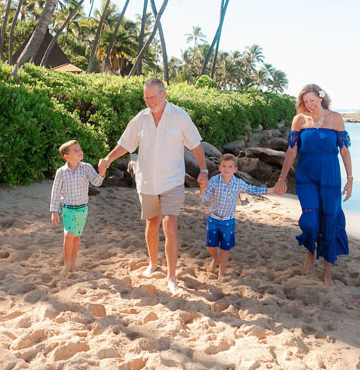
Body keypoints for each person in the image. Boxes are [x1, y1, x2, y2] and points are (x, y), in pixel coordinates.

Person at [99, 79, 208, 295]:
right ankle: (153, 264)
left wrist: (203, 171)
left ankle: (172, 277)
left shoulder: (180, 116)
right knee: (152, 223)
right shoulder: (141, 119)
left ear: (164, 94)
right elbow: (125, 144)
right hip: (147, 180)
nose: (150, 101)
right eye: (146, 97)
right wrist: (108, 159)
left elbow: (195, 144)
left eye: (153, 97)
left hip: (172, 181)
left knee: (169, 224)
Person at [274, 84, 353, 286]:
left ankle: (327, 272)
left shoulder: (335, 118)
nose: (309, 105)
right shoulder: (299, 120)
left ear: (321, 98)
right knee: (310, 221)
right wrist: (282, 178)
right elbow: (292, 151)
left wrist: (350, 179)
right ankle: (310, 249)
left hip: (330, 177)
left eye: (312, 100)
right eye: (305, 102)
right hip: (306, 176)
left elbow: (344, 151)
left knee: (329, 223)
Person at [200, 153, 277, 278]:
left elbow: (253, 190)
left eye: (230, 167)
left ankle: (221, 272)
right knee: (210, 245)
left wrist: (272, 190)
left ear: (235, 169)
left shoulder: (238, 183)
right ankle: (215, 258)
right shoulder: (214, 180)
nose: (227, 169)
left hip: (228, 221)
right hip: (213, 219)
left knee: (225, 248)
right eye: (224, 166)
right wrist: (202, 187)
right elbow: (204, 198)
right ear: (219, 167)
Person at [49, 140, 106, 273]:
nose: (80, 151)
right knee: (69, 235)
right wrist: (54, 211)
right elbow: (55, 191)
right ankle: (67, 264)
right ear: (66, 157)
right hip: (68, 208)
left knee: (76, 237)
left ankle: (73, 264)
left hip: (82, 209)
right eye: (75, 150)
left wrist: (102, 172)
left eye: (80, 149)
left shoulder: (86, 168)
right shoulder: (61, 172)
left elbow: (96, 182)